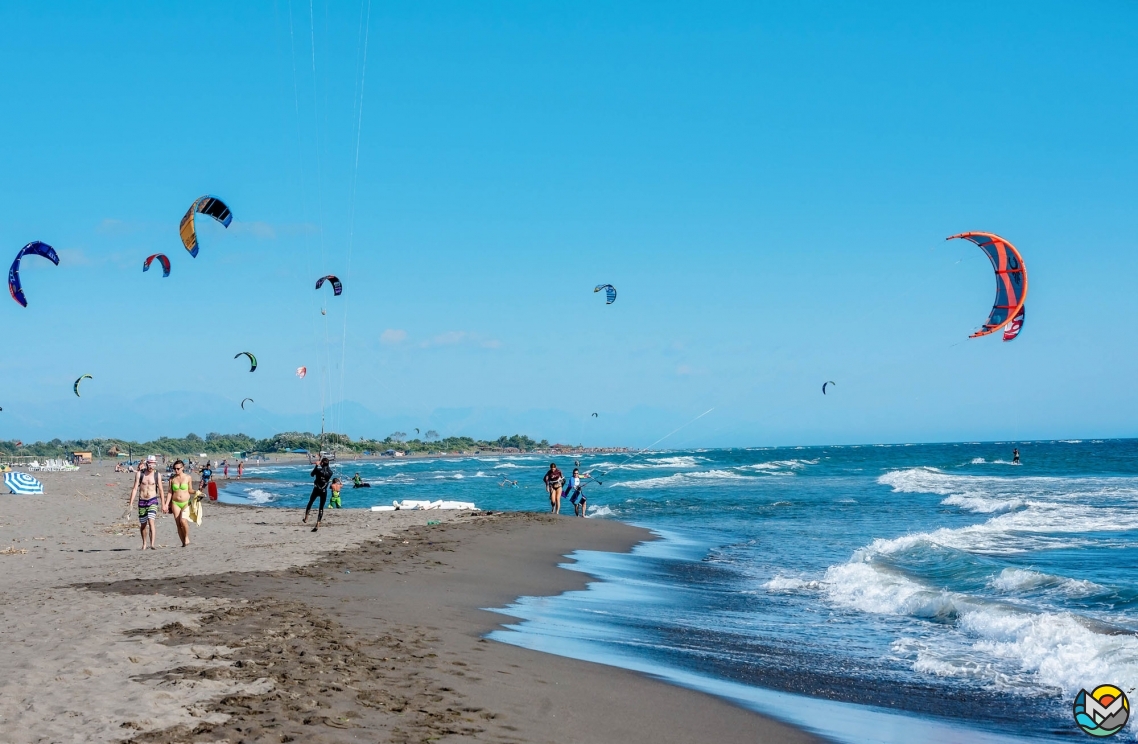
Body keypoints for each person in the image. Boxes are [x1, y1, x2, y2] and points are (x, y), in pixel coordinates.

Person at [128, 455, 166, 550]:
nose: (151, 466)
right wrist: (130, 504)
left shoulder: (157, 475)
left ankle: (152, 544)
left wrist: (163, 504)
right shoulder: (140, 474)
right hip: (142, 501)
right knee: (143, 525)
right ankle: (144, 543)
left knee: (151, 521)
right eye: (150, 464)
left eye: (153, 464)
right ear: (146, 464)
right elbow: (135, 488)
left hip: (152, 500)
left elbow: (161, 490)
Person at [168, 459, 195, 547]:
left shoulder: (188, 477)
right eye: (175, 469)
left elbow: (190, 490)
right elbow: (170, 492)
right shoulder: (172, 479)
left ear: (183, 468)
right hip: (175, 503)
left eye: (178, 468)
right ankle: (183, 543)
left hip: (185, 502)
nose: (176, 470)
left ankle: (186, 537)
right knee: (178, 524)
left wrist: (197, 492)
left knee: (183, 521)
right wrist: (166, 504)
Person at [305, 457, 333, 532]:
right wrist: (323, 463)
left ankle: (306, 518)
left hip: (316, 489)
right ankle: (318, 524)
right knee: (321, 508)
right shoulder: (330, 472)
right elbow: (327, 469)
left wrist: (317, 465)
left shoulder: (318, 470)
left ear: (322, 463)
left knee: (310, 502)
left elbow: (312, 474)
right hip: (324, 491)